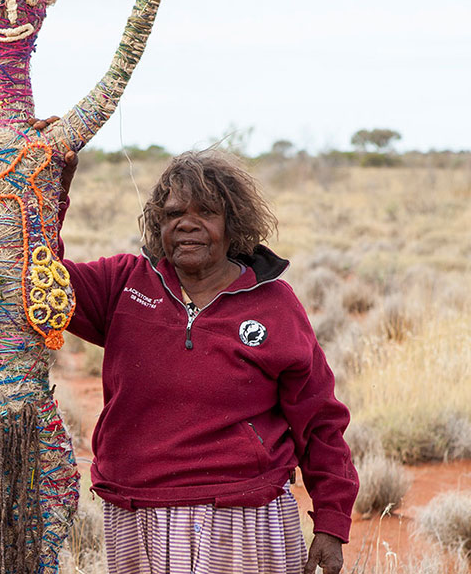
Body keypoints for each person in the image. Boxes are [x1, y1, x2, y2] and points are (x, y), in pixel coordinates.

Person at [61, 149, 358, 574]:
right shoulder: (123, 284)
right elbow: (38, 278)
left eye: (207, 212)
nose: (186, 222)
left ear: (232, 224)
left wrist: (332, 522)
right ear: (158, 224)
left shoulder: (274, 304)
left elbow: (320, 419)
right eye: (173, 213)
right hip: (135, 513)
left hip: (242, 517)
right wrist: (52, 188)